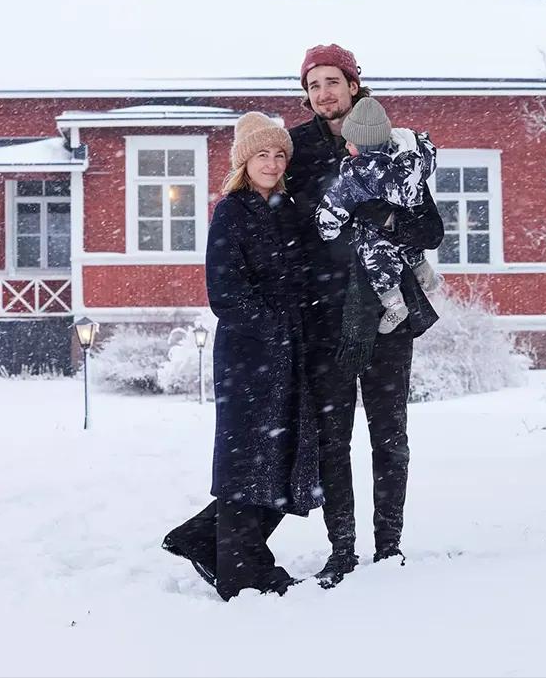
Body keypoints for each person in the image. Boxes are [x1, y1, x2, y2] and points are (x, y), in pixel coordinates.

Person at [286, 44, 444, 588]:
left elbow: (430, 230)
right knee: (333, 436)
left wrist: (386, 218)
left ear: (354, 85)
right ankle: (341, 549)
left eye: (333, 81)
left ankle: (390, 547)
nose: (324, 93)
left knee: (389, 432)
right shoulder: (296, 150)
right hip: (325, 311)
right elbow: (293, 230)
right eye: (314, 85)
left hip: (386, 311)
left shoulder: (393, 141)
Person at [162, 111, 321, 601]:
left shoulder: (289, 208)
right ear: (243, 161)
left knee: (283, 460)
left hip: (293, 352)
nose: (272, 163)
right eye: (262, 155)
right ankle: (242, 571)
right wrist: (275, 331)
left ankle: (203, 540)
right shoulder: (232, 210)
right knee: (248, 462)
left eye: (278, 154)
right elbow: (225, 291)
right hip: (250, 356)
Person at [316, 96, 442, 333]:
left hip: (375, 241)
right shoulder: (409, 161)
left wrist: (325, 226)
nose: (346, 147)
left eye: (350, 143)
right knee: (409, 245)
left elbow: (335, 205)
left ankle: (394, 305)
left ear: (362, 147)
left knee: (378, 259)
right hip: (408, 220)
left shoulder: (357, 173)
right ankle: (425, 272)